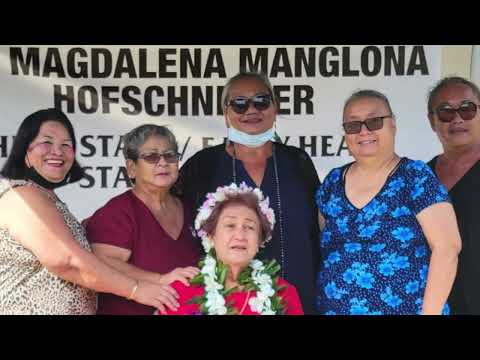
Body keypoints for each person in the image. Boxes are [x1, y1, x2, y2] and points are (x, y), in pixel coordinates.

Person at [0, 108, 181, 314]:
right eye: (47, 142)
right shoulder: (22, 195)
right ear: (25, 151)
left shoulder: (46, 196)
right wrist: (136, 289)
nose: (57, 152)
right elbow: (68, 261)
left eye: (66, 145)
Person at [176, 71, 320, 314]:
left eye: (261, 101)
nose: (251, 110)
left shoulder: (298, 161)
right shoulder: (202, 166)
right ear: (226, 114)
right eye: (239, 104)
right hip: (224, 303)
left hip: (298, 300)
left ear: (275, 109)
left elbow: (320, 226)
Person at [315, 90, 461, 315]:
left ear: (392, 125)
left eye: (374, 122)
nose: (364, 131)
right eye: (353, 125)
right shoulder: (333, 182)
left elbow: (447, 248)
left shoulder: (415, 176)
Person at [86, 124, 202, 315]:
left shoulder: (191, 209)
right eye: (151, 156)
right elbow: (102, 263)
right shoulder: (118, 212)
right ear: (131, 168)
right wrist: (160, 279)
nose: (163, 162)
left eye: (170, 155)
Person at [157, 182, 303, 315]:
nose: (240, 235)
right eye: (230, 225)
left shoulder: (282, 292)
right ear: (211, 236)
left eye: (249, 227)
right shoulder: (180, 291)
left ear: (259, 240)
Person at [427, 76, 480, 315]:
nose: (457, 118)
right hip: (435, 304)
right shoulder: (419, 178)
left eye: (467, 109)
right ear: (432, 121)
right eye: (445, 111)